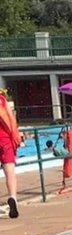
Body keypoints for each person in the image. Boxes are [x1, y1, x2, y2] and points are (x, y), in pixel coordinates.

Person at [0, 88, 19, 218]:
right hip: (6, 139)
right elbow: (11, 119)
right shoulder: (2, 101)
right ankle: (13, 197)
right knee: (10, 173)